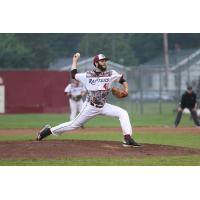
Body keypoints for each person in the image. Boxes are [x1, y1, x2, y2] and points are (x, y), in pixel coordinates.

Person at [36, 53, 141, 147]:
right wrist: (74, 60)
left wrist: (126, 89)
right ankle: (48, 131)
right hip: (90, 107)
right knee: (73, 125)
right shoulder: (87, 75)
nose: (104, 62)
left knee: (123, 113)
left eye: (105, 61)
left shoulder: (111, 74)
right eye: (102, 61)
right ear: (96, 63)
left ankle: (128, 139)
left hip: (103, 106)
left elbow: (122, 80)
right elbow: (73, 74)